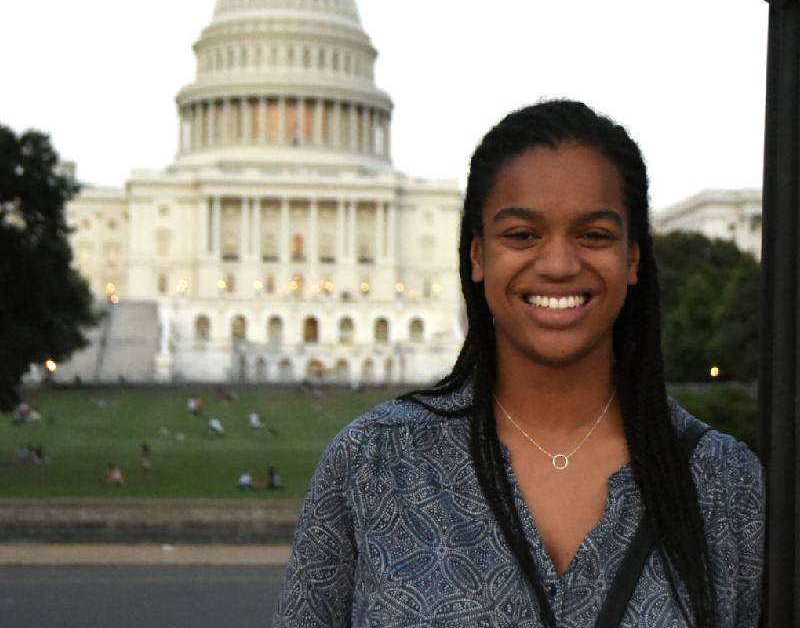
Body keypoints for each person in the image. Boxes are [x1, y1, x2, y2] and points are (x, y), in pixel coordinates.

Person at [273, 100, 764, 627]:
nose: (557, 264)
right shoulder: (370, 464)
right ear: (477, 255)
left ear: (633, 258)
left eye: (593, 235)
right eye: (522, 235)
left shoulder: (724, 485)